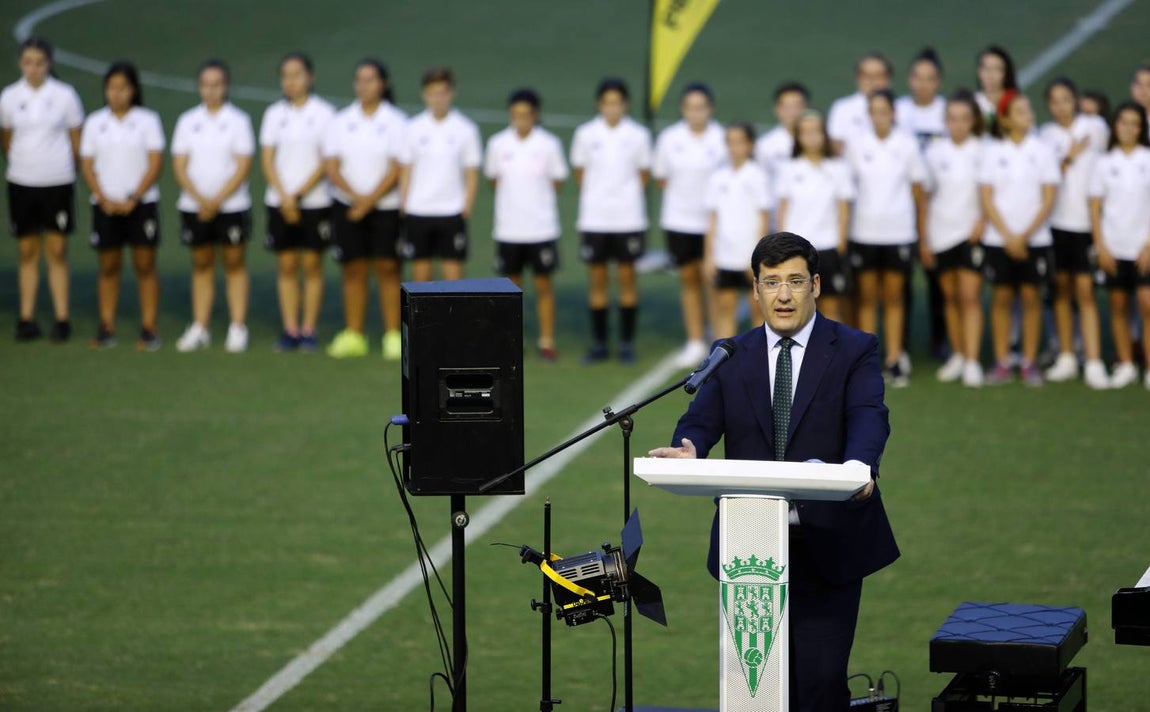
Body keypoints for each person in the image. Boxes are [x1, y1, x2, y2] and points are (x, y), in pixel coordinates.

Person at [649, 232, 899, 712]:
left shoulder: (853, 348)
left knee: (820, 686)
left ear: (816, 285)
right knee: (754, 693)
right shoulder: (730, 354)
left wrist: (859, 469)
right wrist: (690, 448)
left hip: (828, 544)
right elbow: (699, 422)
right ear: (756, 289)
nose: (783, 295)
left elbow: (869, 416)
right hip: (750, 549)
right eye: (771, 282)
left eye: (795, 281)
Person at [323, 59, 406, 360]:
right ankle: (354, 334)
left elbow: (397, 168)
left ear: (383, 84)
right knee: (353, 268)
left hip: (386, 207)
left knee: (388, 269)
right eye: (359, 79)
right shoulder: (341, 121)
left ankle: (393, 335)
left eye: (370, 79)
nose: (364, 85)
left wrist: (369, 202)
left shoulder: (396, 121)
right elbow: (332, 167)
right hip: (348, 207)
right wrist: (357, 200)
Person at [1, 37, 83, 342]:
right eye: (28, 63)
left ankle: (62, 318)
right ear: (20, 64)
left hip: (57, 181)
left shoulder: (65, 96)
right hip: (22, 182)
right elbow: (7, 139)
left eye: (39, 63)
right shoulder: (9, 97)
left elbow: (76, 140)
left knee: (57, 250)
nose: (33, 69)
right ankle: (26, 317)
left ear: (49, 63)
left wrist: (64, 169)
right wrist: (24, 164)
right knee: (27, 251)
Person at [845, 89, 927, 387]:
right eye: (874, 111)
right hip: (863, 231)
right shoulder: (857, 145)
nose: (879, 117)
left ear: (893, 113)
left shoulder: (907, 144)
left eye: (884, 111)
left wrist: (919, 232)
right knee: (867, 298)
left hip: (898, 232)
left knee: (894, 298)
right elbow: (848, 188)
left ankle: (894, 358)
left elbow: (917, 190)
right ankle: (869, 361)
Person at [79, 61, 164, 351]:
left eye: (123, 88)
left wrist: (133, 198)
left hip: (141, 204)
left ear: (134, 90)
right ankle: (106, 326)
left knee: (145, 265)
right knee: (108, 266)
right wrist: (103, 198)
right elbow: (87, 164)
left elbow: (155, 162)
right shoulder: (95, 122)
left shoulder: (147, 120)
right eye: (112, 88)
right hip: (105, 205)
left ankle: (149, 327)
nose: (117, 94)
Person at [171, 59, 255, 353]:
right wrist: (201, 199)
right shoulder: (187, 121)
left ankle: (237, 327)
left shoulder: (238, 121)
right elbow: (179, 165)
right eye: (206, 85)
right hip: (194, 206)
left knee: (234, 264)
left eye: (217, 84)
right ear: (199, 87)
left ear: (226, 86)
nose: (211, 90)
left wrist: (217, 200)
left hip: (231, 206)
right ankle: (200, 326)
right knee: (201, 264)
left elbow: (243, 164)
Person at [980, 90, 1060, 386]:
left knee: (1030, 298)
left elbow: (1048, 197)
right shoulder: (992, 152)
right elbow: (987, 197)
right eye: (1021, 111)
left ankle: (1029, 361)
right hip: (998, 239)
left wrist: (1024, 236)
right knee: (1001, 298)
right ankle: (1002, 360)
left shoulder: (1043, 151)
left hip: (1034, 240)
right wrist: (1007, 235)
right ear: (1005, 119)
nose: (1029, 115)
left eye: (1029, 110)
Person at [570, 77, 652, 364]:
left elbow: (643, 174)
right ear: (599, 104)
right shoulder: (585, 134)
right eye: (607, 103)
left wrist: (623, 199)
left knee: (627, 278)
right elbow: (580, 173)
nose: (612, 108)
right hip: (595, 219)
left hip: (628, 219)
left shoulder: (638, 135)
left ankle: (626, 344)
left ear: (625, 104)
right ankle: (600, 344)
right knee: (597, 280)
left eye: (617, 103)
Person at [484, 88, 569, 361]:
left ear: (535, 115)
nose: (521, 119)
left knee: (543, 286)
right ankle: (511, 340)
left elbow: (557, 181)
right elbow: (493, 179)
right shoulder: (498, 144)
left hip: (541, 228)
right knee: (510, 289)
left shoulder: (548, 144)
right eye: (516, 114)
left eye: (526, 114)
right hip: (509, 228)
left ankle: (546, 341)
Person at [259, 52, 336, 353]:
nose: (291, 81)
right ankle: (290, 329)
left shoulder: (325, 113)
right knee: (287, 265)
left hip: (315, 201)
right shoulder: (273, 114)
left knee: (313, 265)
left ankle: (309, 329)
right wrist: (285, 197)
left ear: (310, 77)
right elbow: (268, 159)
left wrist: (298, 194)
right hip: (280, 201)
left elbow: (326, 161)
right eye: (286, 76)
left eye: (297, 75)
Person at [1038, 77, 1109, 388]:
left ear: (1076, 100)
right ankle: (1066, 356)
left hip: (1085, 224)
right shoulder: (1045, 135)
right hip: (1056, 223)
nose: (1061, 106)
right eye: (1054, 101)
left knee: (1086, 291)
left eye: (1066, 99)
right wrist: (1068, 156)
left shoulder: (1095, 127)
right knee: (1061, 290)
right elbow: (1047, 177)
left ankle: (1093, 360)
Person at [652, 82, 725, 368]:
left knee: (713, 282)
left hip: (713, 223)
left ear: (710, 108)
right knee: (689, 280)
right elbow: (662, 178)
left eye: (701, 107)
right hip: (679, 220)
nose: (696, 113)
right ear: (683, 109)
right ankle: (695, 341)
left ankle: (717, 339)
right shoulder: (670, 138)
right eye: (690, 107)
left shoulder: (720, 138)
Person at [921, 91, 986, 387]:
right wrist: (924, 239)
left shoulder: (983, 150)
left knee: (970, 297)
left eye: (964, 119)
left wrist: (982, 222)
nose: (958, 124)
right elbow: (925, 198)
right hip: (941, 233)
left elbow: (990, 192)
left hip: (971, 233)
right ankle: (958, 354)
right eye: (952, 118)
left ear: (973, 121)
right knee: (950, 298)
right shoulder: (934, 153)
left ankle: (972, 360)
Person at [399, 66, 482, 283]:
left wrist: (466, 206)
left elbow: (472, 172)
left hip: (451, 211)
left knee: (454, 278)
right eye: (433, 93)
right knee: (421, 278)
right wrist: (405, 203)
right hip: (419, 210)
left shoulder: (466, 129)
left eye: (443, 92)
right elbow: (406, 169)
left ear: (452, 93)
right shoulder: (413, 127)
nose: (438, 99)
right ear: (424, 95)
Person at [1088, 102, 1150, 389]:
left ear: (1141, 129)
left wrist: (1148, 245)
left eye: (1134, 123)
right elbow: (1095, 207)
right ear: (1115, 126)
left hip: (1143, 247)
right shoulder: (1103, 163)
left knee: (1147, 305)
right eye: (1123, 122)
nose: (1128, 128)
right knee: (1118, 305)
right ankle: (1125, 363)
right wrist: (1101, 245)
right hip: (1114, 246)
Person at [776, 110, 855, 323]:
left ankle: (831, 345)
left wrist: (841, 243)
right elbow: (783, 209)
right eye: (806, 132)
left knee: (831, 306)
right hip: (797, 249)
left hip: (828, 246)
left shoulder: (837, 168)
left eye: (816, 131)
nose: (811, 137)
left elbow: (843, 208)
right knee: (798, 306)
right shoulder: (789, 169)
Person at [703, 122, 771, 339]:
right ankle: (724, 355)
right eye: (730, 142)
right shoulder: (718, 177)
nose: (734, 147)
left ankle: (759, 355)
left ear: (750, 145)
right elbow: (712, 219)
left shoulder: (757, 176)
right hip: (725, 255)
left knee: (757, 309)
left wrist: (757, 258)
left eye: (740, 142)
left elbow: (763, 219)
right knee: (724, 308)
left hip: (748, 255)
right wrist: (709, 256)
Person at [827, 52, 892, 154]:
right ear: (858, 78)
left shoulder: (900, 108)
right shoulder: (842, 108)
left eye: (878, 76)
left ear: (888, 79)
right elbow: (835, 148)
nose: (873, 81)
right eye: (867, 76)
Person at [754, 81, 809, 187]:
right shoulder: (765, 145)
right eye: (787, 107)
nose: (793, 113)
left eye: (797, 106)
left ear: (807, 108)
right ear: (777, 110)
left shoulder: (821, 142)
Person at [895, 48, 947, 150]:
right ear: (909, 79)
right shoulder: (897, 109)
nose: (923, 84)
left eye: (929, 79)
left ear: (939, 82)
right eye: (918, 78)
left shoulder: (948, 110)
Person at [974, 46, 1018, 126]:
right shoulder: (971, 104)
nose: (990, 75)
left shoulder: (1016, 103)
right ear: (979, 71)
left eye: (996, 69)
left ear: (1006, 73)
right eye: (986, 68)